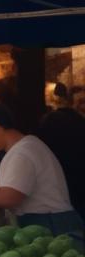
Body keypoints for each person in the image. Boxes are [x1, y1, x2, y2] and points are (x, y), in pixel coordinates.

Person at [0, 103, 83, 241]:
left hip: (51, 225)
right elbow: (17, 188)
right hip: (46, 223)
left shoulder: (22, 153)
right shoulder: (25, 146)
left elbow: (9, 198)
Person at [37, 83, 85, 213]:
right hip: (71, 176)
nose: (82, 106)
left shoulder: (50, 119)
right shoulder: (71, 120)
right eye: (80, 102)